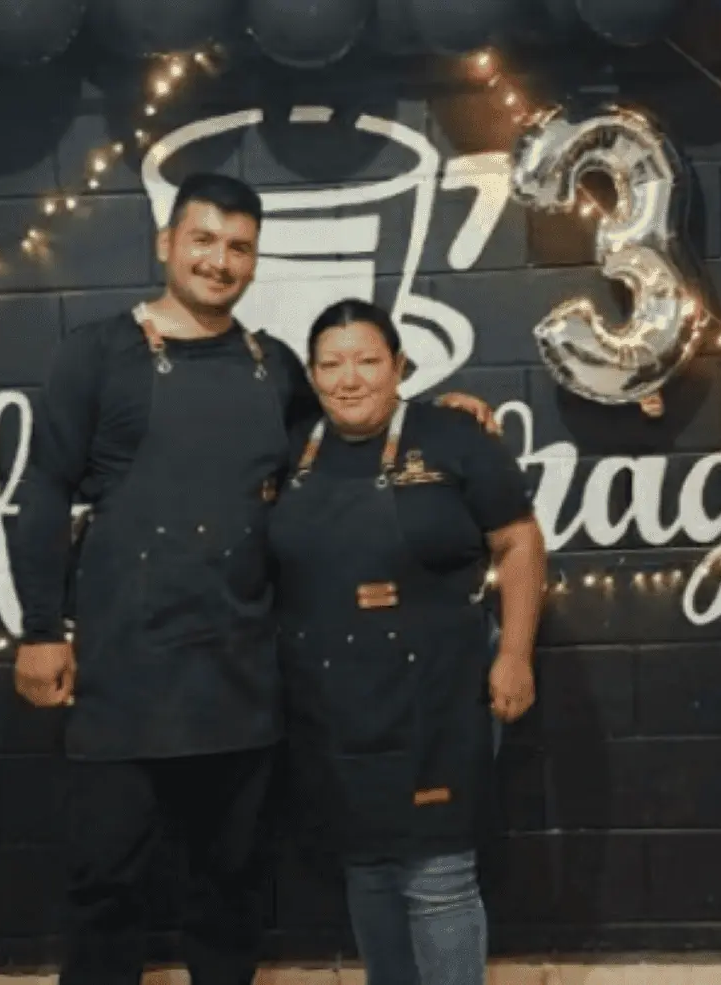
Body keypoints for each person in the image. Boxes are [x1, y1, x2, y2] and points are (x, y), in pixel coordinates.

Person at [10, 172, 497, 985]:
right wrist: (38, 629)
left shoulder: (272, 367)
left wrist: (437, 416)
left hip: (240, 676)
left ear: (254, 261)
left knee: (229, 891)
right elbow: (43, 493)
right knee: (104, 888)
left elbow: (352, 426)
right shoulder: (94, 353)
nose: (219, 260)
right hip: (123, 674)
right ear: (166, 243)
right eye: (203, 239)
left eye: (239, 246)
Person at [267, 299, 547, 985]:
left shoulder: (454, 434)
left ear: (399, 365)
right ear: (311, 373)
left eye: (367, 359)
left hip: (441, 691)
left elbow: (518, 542)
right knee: (366, 866)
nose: (350, 377)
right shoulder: (286, 446)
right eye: (331, 363)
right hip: (328, 695)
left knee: (437, 874)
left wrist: (514, 654)